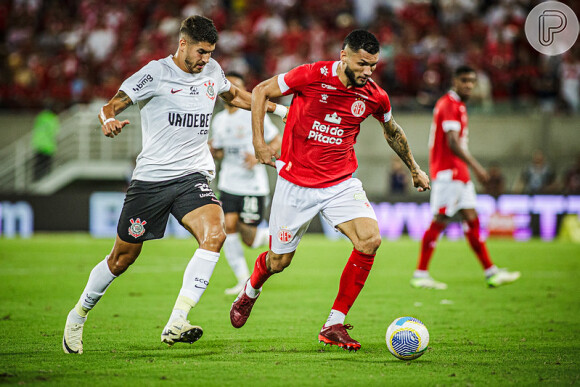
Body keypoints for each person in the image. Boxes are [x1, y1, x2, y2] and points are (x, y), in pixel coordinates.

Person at [62, 15, 288, 355]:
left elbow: (237, 96)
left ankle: (178, 318)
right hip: (151, 180)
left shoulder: (211, 72)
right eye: (200, 52)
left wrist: (279, 110)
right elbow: (111, 105)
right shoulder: (154, 74)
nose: (205, 59)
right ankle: (78, 316)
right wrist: (108, 120)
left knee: (215, 235)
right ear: (182, 44)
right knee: (122, 258)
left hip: (193, 176)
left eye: (210, 53)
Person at [229, 30, 431, 352]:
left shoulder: (375, 96)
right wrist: (258, 143)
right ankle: (251, 290)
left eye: (373, 66)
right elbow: (260, 91)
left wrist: (414, 168)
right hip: (296, 183)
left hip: (340, 182)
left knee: (370, 240)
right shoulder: (310, 75)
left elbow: (392, 131)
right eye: (362, 64)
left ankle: (333, 323)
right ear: (344, 55)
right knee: (279, 262)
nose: (368, 72)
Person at [410, 65, 521, 290]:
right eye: (464, 81)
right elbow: (452, 142)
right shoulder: (448, 104)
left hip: (459, 173)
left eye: (472, 81)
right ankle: (420, 273)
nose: (469, 85)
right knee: (440, 220)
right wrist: (478, 168)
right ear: (454, 81)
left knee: (472, 220)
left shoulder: (458, 105)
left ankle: (491, 271)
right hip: (449, 172)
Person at [210, 71, 281, 295]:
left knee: (249, 238)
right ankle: (243, 279)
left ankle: (277, 235)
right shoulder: (219, 120)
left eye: (237, 86)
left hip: (252, 186)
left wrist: (261, 154)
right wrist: (214, 151)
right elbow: (220, 152)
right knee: (227, 226)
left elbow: (276, 138)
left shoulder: (253, 114)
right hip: (228, 183)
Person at [31, 103, 60, 180]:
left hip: (38, 144)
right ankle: (46, 179)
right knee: (46, 165)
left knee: (38, 164)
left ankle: (36, 179)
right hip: (48, 145)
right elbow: (54, 132)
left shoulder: (40, 116)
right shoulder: (53, 118)